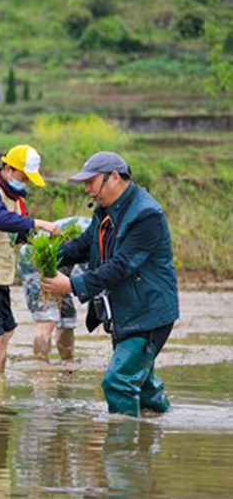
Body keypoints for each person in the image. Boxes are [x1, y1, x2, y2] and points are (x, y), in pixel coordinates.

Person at [42, 152, 178, 417]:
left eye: (92, 182)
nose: (88, 190)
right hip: (126, 311)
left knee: (117, 383)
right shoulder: (106, 211)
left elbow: (122, 266)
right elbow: (85, 245)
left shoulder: (146, 215)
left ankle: (122, 453)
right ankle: (156, 428)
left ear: (114, 177)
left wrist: (71, 285)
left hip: (148, 314)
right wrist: (49, 255)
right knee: (145, 386)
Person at [0, 144, 59, 374]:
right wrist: (37, 222)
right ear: (8, 169)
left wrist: (45, 242)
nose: (24, 182)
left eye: (28, 179)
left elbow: (21, 233)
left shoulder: (16, 198)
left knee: (7, 329)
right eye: (23, 176)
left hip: (1, 272)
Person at [16, 216, 91, 362]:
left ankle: (67, 363)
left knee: (68, 316)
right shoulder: (101, 236)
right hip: (36, 259)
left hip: (62, 263)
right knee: (47, 319)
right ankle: (41, 369)